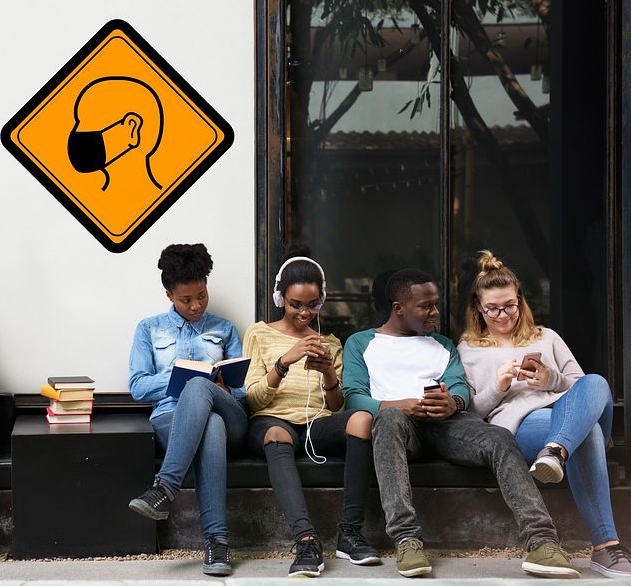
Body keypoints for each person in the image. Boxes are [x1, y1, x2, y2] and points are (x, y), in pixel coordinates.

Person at [342, 268, 579, 579]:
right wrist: (399, 405)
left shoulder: (442, 344)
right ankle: (406, 539)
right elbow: (354, 397)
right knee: (386, 420)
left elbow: (459, 387)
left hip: (446, 424)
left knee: (499, 439)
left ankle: (542, 542)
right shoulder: (361, 342)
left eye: (436, 303)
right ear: (398, 308)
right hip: (398, 425)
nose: (435, 311)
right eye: (425, 306)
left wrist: (452, 402)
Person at [458, 250, 630, 578]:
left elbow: (585, 389)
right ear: (478, 308)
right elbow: (472, 413)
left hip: (566, 414)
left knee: (597, 381)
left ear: (520, 300)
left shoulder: (546, 336)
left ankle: (556, 450)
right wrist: (499, 386)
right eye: (492, 308)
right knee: (589, 433)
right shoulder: (468, 349)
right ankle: (606, 547)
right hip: (521, 424)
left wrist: (550, 379)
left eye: (508, 305)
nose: (501, 314)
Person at [243, 251, 379, 577]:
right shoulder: (259, 333)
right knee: (276, 433)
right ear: (280, 299)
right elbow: (253, 401)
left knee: (362, 419)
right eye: (296, 304)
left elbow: (337, 408)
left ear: (323, 299)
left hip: (316, 424)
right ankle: (305, 539)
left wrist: (330, 375)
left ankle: (350, 533)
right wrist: (283, 362)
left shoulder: (329, 342)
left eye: (313, 304)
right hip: (273, 422)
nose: (305, 313)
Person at [127, 243, 248, 576]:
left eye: (202, 296)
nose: (196, 306)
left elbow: (243, 392)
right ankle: (217, 543)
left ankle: (164, 488)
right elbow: (138, 387)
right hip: (172, 418)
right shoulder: (149, 329)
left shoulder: (224, 329)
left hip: (231, 414)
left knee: (203, 393)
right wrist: (181, 371)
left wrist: (217, 385)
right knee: (209, 425)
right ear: (169, 294)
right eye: (186, 300)